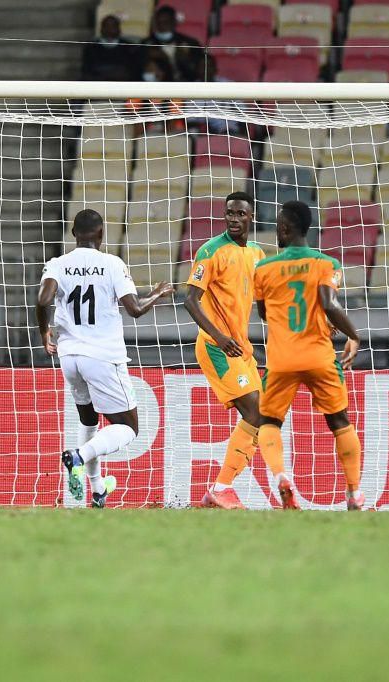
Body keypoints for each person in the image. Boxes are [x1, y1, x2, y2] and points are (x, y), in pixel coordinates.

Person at [36, 209, 173, 506]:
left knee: (88, 420)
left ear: (73, 234)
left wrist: (45, 332)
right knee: (129, 428)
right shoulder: (112, 264)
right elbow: (134, 308)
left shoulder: (58, 264)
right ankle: (78, 457)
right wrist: (158, 294)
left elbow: (43, 299)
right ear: (101, 235)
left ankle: (97, 489)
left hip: (69, 357)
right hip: (101, 356)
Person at [184, 192, 300, 510]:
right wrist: (219, 337)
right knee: (256, 413)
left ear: (252, 217)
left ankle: (219, 491)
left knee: (265, 417)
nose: (234, 219)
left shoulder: (256, 253)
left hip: (242, 350)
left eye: (240, 214)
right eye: (230, 213)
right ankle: (221, 488)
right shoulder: (210, 251)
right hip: (216, 347)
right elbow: (190, 300)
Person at [253, 201, 365, 510]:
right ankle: (353, 493)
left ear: (285, 228)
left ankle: (280, 477)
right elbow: (328, 303)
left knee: (269, 421)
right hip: (319, 356)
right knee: (340, 421)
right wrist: (353, 335)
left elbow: (265, 313)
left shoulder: (263, 268)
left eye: (277, 226)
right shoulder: (327, 264)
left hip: (281, 359)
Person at [142, 5, 202, 82]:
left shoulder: (190, 43)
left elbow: (200, 69)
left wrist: (185, 60)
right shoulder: (146, 45)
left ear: (174, 22)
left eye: (166, 22)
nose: (161, 26)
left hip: (187, 87)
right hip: (160, 88)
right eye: (158, 23)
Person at [82, 15, 138, 81]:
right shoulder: (91, 47)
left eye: (113, 26)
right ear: (101, 29)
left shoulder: (129, 47)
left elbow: (133, 71)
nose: (109, 29)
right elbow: (86, 70)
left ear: (119, 29)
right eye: (106, 26)